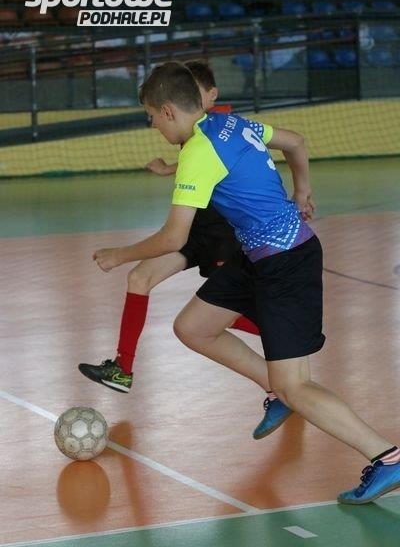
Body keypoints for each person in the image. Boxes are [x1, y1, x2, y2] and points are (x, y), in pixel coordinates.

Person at [89, 61, 400, 504]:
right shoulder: (228, 123)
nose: (153, 125)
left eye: (152, 116)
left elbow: (174, 237)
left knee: (297, 385)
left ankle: (387, 457)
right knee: (193, 327)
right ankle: (277, 390)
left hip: (286, 264)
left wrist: (120, 254)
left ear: (168, 111)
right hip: (255, 257)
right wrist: (302, 189)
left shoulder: (198, 152)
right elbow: (296, 142)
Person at [79, 60, 291, 439]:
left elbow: (224, 157)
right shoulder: (193, 131)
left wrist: (120, 252)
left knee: (219, 312)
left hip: (220, 230)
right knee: (140, 277)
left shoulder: (221, 121)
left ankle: (290, 341)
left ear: (209, 95)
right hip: (194, 227)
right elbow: (199, 162)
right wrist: (170, 169)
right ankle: (123, 369)